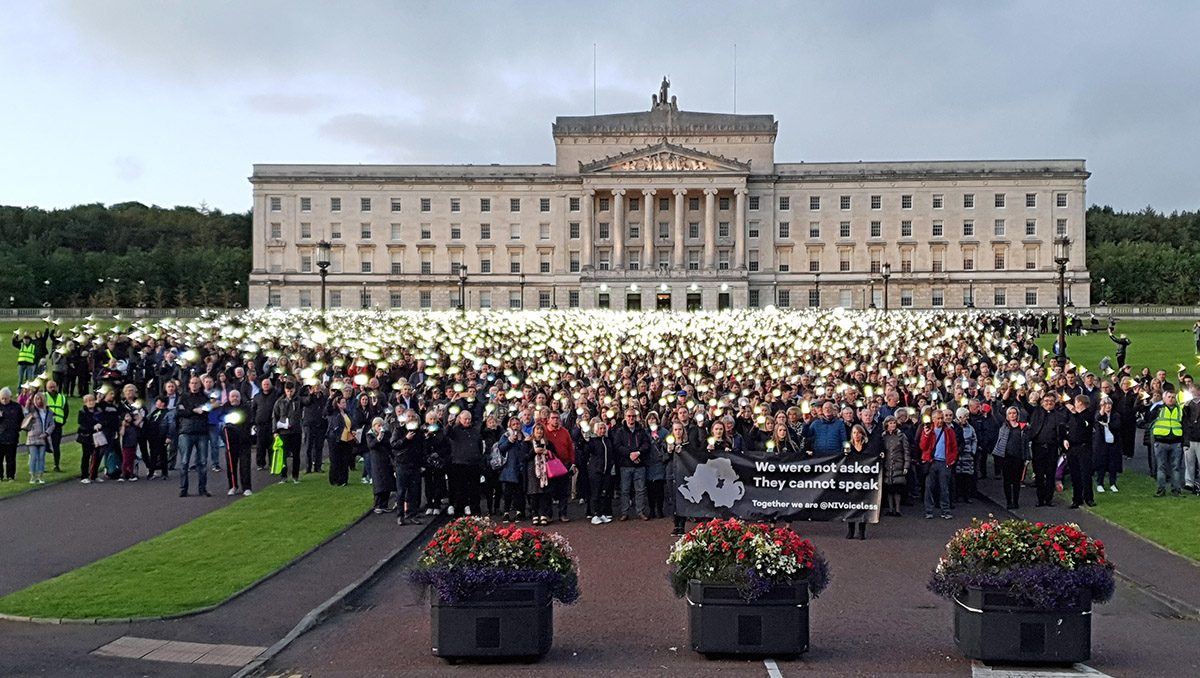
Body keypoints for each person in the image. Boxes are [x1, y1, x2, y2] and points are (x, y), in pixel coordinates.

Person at [1027, 394, 1067, 507]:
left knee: (1050, 474)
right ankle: (1040, 499)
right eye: (1046, 401)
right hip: (1038, 447)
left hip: (1052, 448)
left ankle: (1049, 500)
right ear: (1042, 402)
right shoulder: (1037, 412)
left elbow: (1062, 431)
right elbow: (1025, 405)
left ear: (1055, 403)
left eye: (1051, 401)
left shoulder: (1058, 415)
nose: (1048, 403)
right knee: (1039, 475)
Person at [613, 408, 651, 521]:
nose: (631, 418)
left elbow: (646, 444)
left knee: (640, 490)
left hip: (640, 464)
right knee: (625, 490)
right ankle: (624, 512)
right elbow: (618, 446)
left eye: (633, 416)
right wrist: (629, 454)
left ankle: (640, 511)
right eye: (629, 416)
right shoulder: (620, 431)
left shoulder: (641, 430)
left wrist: (638, 453)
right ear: (625, 417)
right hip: (625, 465)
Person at [919, 409, 958, 519]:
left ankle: (945, 510)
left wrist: (952, 459)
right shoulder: (928, 430)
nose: (940, 421)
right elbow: (922, 447)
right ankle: (929, 510)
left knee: (944, 488)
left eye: (942, 418)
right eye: (938, 418)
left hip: (944, 462)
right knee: (929, 487)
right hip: (931, 462)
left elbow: (954, 446)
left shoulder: (949, 431)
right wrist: (926, 435)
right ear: (933, 419)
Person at [177, 376, 211, 497]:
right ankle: (183, 489)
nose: (194, 385)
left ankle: (202, 489)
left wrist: (195, 411)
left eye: (196, 383)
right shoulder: (183, 397)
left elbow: (207, 411)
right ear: (189, 385)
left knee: (202, 462)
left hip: (202, 432)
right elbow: (180, 411)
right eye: (192, 383)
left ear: (200, 385)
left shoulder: (205, 397)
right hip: (186, 431)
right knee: (185, 461)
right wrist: (194, 410)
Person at [445, 409, 484, 516]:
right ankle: (459, 511)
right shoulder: (455, 430)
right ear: (460, 419)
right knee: (460, 490)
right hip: (459, 464)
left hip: (473, 464)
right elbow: (446, 433)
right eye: (465, 419)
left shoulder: (475, 431)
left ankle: (476, 511)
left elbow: (479, 445)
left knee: (475, 490)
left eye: (469, 419)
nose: (467, 421)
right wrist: (449, 423)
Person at [1147, 388, 1185, 496]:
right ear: (1164, 398)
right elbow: (1148, 417)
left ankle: (1176, 490)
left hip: (1176, 442)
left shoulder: (1180, 409)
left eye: (1173, 397)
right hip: (1161, 442)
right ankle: (1161, 490)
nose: (1171, 399)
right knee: (1161, 467)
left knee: (1176, 468)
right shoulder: (1158, 409)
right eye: (1169, 397)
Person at [390, 410, 425, 525]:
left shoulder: (419, 432)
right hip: (402, 464)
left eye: (412, 416)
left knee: (414, 492)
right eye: (408, 416)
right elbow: (394, 445)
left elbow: (422, 448)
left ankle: (412, 514)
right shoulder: (398, 430)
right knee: (401, 492)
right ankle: (400, 516)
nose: (410, 418)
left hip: (415, 465)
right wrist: (405, 439)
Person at [543, 410, 575, 521]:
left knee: (563, 491)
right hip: (550, 465)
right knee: (548, 491)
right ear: (548, 419)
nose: (555, 420)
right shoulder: (545, 432)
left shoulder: (565, 432)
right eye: (553, 418)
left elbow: (570, 448)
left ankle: (563, 514)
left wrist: (573, 463)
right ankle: (548, 514)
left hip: (564, 465)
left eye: (557, 418)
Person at [524, 422, 557, 526]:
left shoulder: (548, 443)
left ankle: (543, 514)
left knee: (544, 494)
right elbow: (523, 457)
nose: (539, 432)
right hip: (532, 470)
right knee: (534, 494)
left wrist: (547, 453)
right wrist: (534, 451)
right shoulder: (527, 443)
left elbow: (555, 455)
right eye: (537, 430)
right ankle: (535, 514)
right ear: (533, 431)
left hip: (545, 471)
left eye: (541, 430)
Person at [1064, 395, 1094, 508]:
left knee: (1085, 474)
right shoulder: (1072, 416)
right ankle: (1077, 498)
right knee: (1074, 474)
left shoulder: (1088, 415)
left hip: (1084, 447)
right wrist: (1066, 439)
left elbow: (1084, 424)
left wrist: (1075, 413)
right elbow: (1069, 429)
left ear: (1080, 403)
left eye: (1076, 402)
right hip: (1072, 448)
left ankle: (1089, 498)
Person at [497, 416, 528, 523]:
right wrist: (510, 441)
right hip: (509, 468)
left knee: (520, 492)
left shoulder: (525, 436)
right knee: (507, 492)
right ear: (510, 426)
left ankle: (520, 512)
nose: (516, 426)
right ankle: (506, 512)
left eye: (517, 424)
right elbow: (501, 448)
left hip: (521, 467)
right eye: (513, 424)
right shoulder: (505, 436)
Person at [222, 389, 253, 496]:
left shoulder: (246, 407)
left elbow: (248, 420)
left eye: (237, 396)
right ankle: (233, 486)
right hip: (230, 442)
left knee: (245, 465)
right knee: (231, 465)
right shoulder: (225, 408)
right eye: (233, 396)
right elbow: (222, 422)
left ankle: (247, 487)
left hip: (244, 441)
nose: (235, 398)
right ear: (229, 398)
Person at [272, 380, 304, 483]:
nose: (290, 393)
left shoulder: (298, 400)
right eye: (288, 390)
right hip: (283, 432)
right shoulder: (280, 402)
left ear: (294, 390)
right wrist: (275, 431)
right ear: (285, 390)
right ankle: (284, 476)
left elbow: (307, 401)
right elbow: (275, 416)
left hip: (296, 431)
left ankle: (295, 476)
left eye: (291, 390)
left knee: (296, 455)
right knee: (283, 455)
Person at [585, 419, 615, 524]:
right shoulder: (593, 441)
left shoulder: (608, 441)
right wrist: (587, 441)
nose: (602, 431)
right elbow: (586, 451)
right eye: (600, 429)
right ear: (596, 430)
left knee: (604, 493)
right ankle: (594, 514)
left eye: (603, 428)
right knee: (595, 493)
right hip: (596, 471)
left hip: (606, 471)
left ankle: (602, 513)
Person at [845, 424, 872, 539]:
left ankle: (862, 530)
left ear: (862, 434)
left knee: (862, 505)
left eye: (858, 433)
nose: (856, 435)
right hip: (851, 479)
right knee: (851, 505)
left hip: (864, 479)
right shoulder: (848, 446)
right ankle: (851, 530)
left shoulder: (867, 446)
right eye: (854, 433)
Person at [879, 416, 910, 517]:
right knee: (889, 488)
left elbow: (906, 451)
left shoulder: (901, 436)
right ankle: (890, 508)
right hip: (887, 464)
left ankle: (897, 509)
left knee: (897, 488)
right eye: (890, 423)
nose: (892, 425)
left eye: (894, 423)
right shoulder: (883, 436)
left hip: (898, 464)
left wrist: (906, 465)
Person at [22, 393, 55, 484]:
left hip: (43, 437)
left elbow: (52, 424)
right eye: (37, 399)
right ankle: (32, 476)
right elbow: (26, 408)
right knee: (33, 457)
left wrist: (46, 433)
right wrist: (31, 396)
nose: (39, 401)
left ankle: (40, 476)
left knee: (41, 457)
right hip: (32, 436)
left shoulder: (48, 411)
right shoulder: (32, 410)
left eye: (40, 399)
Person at [1093, 397, 1122, 495]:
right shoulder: (1098, 413)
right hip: (1101, 444)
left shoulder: (1116, 415)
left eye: (1109, 404)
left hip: (1113, 443)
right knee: (1101, 464)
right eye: (1105, 404)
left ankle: (1113, 483)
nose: (1108, 406)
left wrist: (1107, 424)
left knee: (1112, 464)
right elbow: (1097, 419)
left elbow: (1117, 426)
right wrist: (1102, 412)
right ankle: (1100, 484)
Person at [366, 417, 394, 513]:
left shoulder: (386, 435)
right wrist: (378, 438)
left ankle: (385, 504)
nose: (380, 427)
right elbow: (371, 446)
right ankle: (378, 504)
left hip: (386, 460)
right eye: (378, 425)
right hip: (376, 462)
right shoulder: (370, 435)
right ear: (374, 426)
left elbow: (389, 445)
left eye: (381, 425)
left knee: (387, 483)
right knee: (379, 483)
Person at [251, 378, 280, 469]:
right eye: (264, 384)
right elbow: (253, 409)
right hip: (260, 424)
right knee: (260, 445)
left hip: (272, 424)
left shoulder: (275, 395)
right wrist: (253, 421)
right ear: (262, 386)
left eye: (267, 384)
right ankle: (260, 464)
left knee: (272, 445)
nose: (266, 386)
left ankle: (273, 463)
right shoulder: (257, 396)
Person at [644, 411, 668, 519]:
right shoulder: (644, 433)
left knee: (659, 488)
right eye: (650, 419)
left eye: (653, 418)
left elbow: (667, 445)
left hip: (659, 462)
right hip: (648, 463)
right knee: (650, 489)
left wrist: (659, 442)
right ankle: (652, 509)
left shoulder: (664, 432)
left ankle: (659, 509)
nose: (652, 420)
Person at [326, 394, 354, 486]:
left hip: (347, 439)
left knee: (345, 460)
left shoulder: (347, 413)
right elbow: (327, 409)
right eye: (342, 402)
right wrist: (331, 397)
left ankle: (344, 480)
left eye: (345, 402)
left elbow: (351, 423)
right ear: (338, 404)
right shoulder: (334, 412)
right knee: (335, 460)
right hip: (335, 439)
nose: (344, 404)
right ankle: (335, 479)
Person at [952, 408, 977, 504]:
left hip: (968, 454)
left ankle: (967, 495)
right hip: (958, 454)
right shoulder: (955, 427)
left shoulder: (970, 428)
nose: (967, 418)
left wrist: (973, 451)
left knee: (967, 476)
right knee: (958, 476)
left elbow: (974, 439)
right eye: (965, 416)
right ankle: (958, 495)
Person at [144, 396, 171, 480]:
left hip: (161, 435)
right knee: (153, 454)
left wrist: (169, 436)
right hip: (152, 436)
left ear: (163, 403)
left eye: (158, 402)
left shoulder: (167, 413)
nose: (156, 403)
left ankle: (164, 472)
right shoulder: (154, 412)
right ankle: (151, 471)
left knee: (162, 454)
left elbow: (171, 425)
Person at [43, 380, 67, 472]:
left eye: (54, 387)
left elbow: (66, 410)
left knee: (56, 446)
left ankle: (56, 465)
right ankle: (43, 466)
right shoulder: (44, 396)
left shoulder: (62, 397)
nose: (52, 389)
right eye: (50, 387)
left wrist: (62, 421)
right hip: (46, 425)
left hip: (57, 424)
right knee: (43, 446)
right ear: (47, 388)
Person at [0, 388, 22, 481]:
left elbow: (21, 419)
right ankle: (0, 476)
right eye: (2, 398)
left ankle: (11, 476)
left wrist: (18, 429)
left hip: (12, 437)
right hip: (0, 437)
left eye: (6, 398)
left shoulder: (16, 407)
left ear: (10, 397)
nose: (4, 400)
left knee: (11, 459)